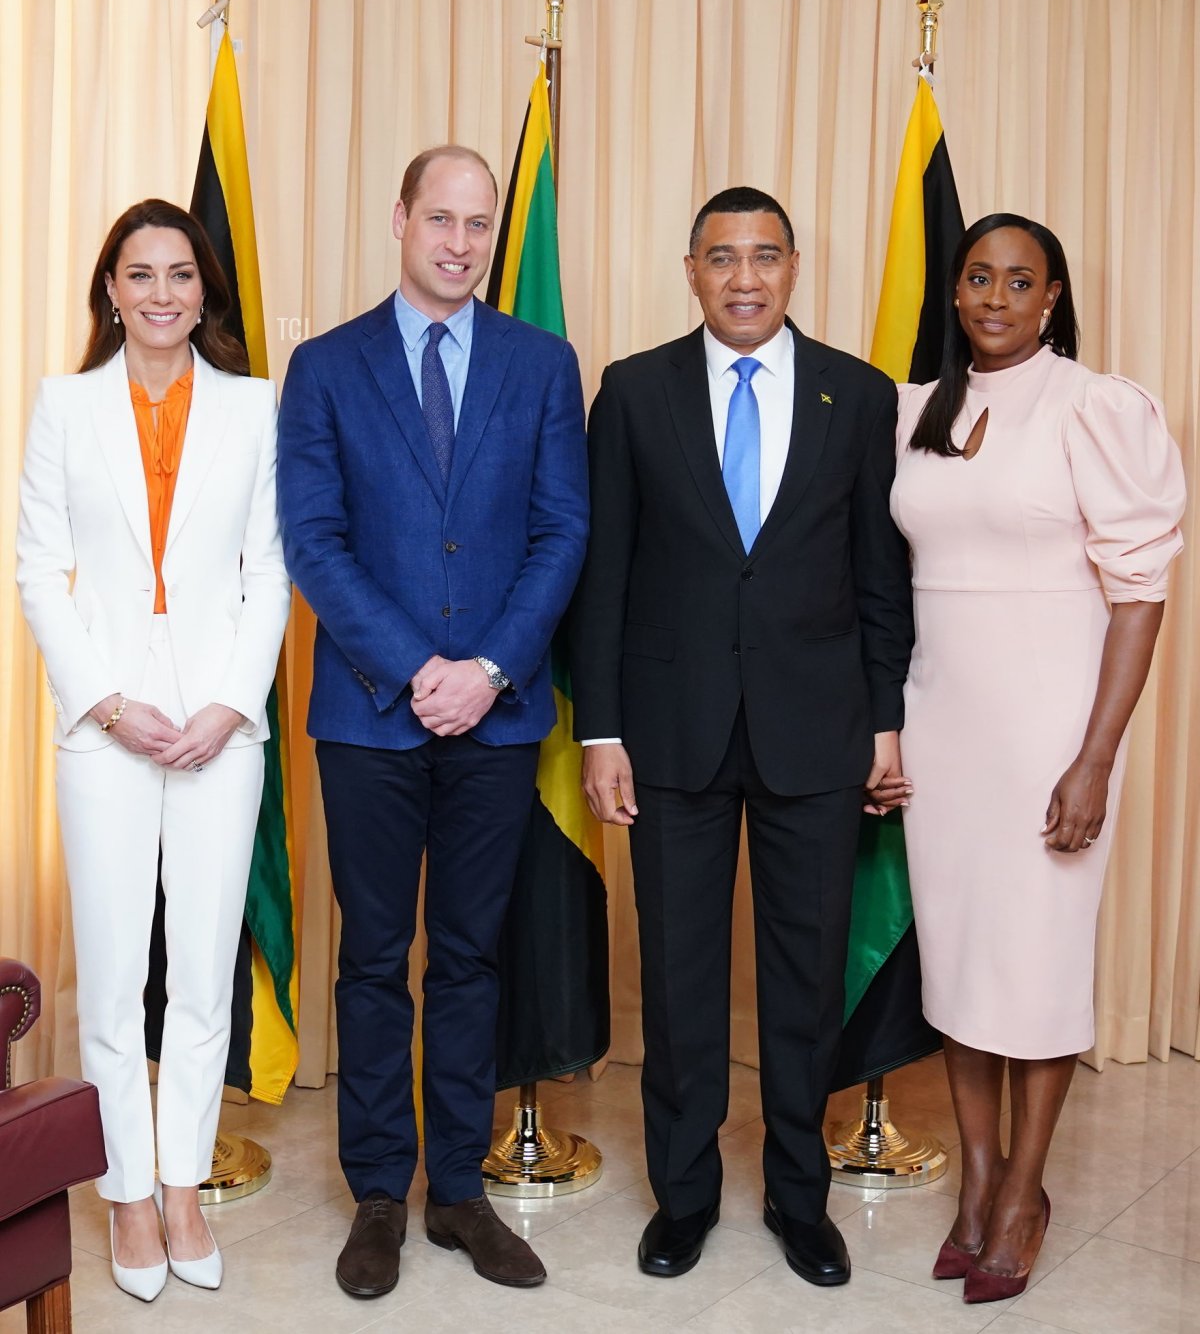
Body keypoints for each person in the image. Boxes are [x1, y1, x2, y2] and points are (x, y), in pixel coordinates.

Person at [570, 186, 914, 1287]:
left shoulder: (857, 396)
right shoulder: (632, 392)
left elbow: (879, 577)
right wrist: (602, 732)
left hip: (817, 734)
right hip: (670, 735)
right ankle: (684, 1198)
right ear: (691, 270)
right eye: (723, 258)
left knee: (804, 980)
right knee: (677, 979)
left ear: (796, 266)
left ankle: (800, 1202)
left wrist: (885, 718)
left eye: (766, 256)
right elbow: (605, 577)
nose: (746, 278)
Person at [277, 144, 588, 1299]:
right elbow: (315, 540)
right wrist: (418, 669)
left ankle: (456, 1192)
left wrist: (492, 667)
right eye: (440, 219)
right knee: (371, 960)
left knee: (467, 957)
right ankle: (376, 1193)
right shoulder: (324, 367)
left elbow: (563, 531)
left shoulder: (543, 363)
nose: (460, 243)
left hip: (499, 722)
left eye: (477, 222)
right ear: (400, 218)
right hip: (368, 719)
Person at [868, 213, 1186, 1305]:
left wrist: (1095, 756)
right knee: (961, 966)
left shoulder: (1096, 407)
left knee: (1039, 971)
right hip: (942, 729)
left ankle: (1024, 1194)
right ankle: (979, 1181)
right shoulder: (914, 411)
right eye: (976, 279)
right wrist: (888, 727)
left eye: (1019, 280)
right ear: (954, 295)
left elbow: (1141, 597)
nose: (994, 297)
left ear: (1050, 298)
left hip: (1055, 730)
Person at [16, 200, 291, 1302]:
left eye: (181, 274)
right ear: (111, 291)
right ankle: (127, 1191)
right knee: (118, 973)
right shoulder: (64, 405)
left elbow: (269, 570)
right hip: (108, 726)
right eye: (141, 275)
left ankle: (185, 1183)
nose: (163, 294)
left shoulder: (256, 408)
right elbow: (39, 568)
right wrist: (108, 702)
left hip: (222, 726)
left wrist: (230, 703)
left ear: (205, 292)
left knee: (203, 971)